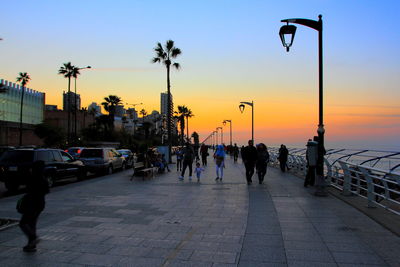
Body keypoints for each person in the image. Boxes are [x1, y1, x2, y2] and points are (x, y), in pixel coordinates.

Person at [19, 160, 49, 252]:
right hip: (40, 204)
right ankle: (31, 245)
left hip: (32, 204)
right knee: (32, 224)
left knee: (23, 223)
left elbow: (28, 189)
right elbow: (46, 191)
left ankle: (33, 238)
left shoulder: (32, 178)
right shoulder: (43, 178)